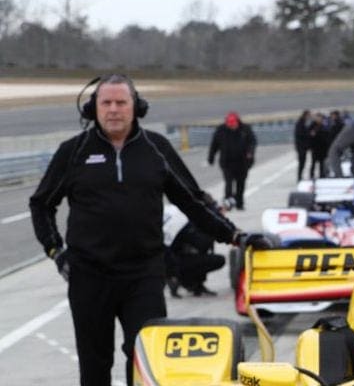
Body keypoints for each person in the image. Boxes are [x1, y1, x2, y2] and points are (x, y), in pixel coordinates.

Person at [29, 74, 266, 385]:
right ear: (93, 108)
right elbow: (41, 204)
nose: (114, 109)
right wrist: (55, 251)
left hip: (143, 274)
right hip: (88, 275)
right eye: (106, 103)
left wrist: (234, 236)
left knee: (146, 361)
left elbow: (192, 201)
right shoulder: (73, 151)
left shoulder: (156, 148)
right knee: (94, 365)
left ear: (136, 106)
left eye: (121, 102)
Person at [207, 111, 257, 210]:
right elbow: (214, 145)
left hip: (242, 163)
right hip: (227, 162)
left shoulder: (245, 129)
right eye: (230, 124)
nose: (232, 126)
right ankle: (228, 203)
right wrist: (211, 158)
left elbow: (252, 141)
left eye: (233, 124)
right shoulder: (221, 130)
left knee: (241, 184)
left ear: (237, 122)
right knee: (228, 183)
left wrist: (250, 152)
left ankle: (239, 203)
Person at [308, 112, 332, 179]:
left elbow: (327, 136)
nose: (320, 119)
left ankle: (322, 176)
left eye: (320, 118)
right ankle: (311, 176)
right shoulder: (312, 126)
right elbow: (309, 136)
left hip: (323, 148)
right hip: (315, 148)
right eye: (318, 118)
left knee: (322, 164)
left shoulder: (323, 126)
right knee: (313, 163)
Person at [294, 109, 312, 180]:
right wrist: (309, 134)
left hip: (302, 146)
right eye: (309, 115)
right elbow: (300, 134)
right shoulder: (300, 123)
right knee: (302, 162)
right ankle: (299, 177)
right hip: (301, 147)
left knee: (303, 162)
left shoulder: (303, 122)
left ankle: (300, 176)